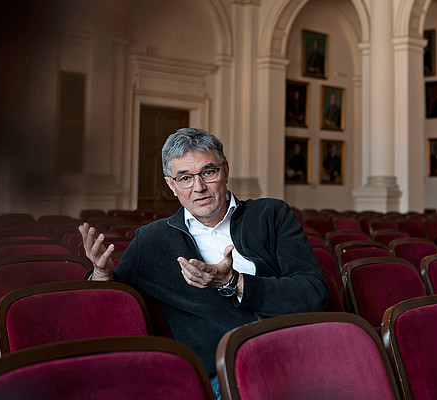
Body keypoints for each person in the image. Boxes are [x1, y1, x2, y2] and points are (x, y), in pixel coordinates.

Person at [79, 128, 328, 399]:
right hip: (226, 371)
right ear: (171, 185)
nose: (198, 188)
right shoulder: (152, 240)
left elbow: (314, 293)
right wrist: (101, 274)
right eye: (185, 178)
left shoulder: (271, 215)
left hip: (296, 351)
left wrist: (234, 282)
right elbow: (112, 301)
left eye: (208, 172)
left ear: (226, 170)